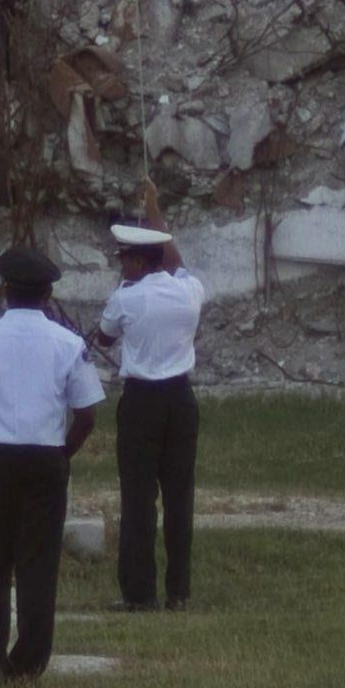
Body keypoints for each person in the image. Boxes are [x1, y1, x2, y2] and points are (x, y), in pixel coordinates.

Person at [0, 246, 103, 683]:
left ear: (5, 289)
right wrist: (62, 455)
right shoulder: (69, 343)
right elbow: (87, 414)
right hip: (45, 460)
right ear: (49, 293)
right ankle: (28, 665)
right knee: (38, 565)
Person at [101, 221, 206, 610]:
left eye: (126, 259)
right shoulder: (190, 291)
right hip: (181, 398)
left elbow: (104, 336)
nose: (122, 266)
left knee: (138, 500)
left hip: (142, 400)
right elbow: (179, 262)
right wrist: (158, 217)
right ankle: (178, 591)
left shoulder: (127, 298)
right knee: (180, 498)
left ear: (142, 261)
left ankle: (139, 593)